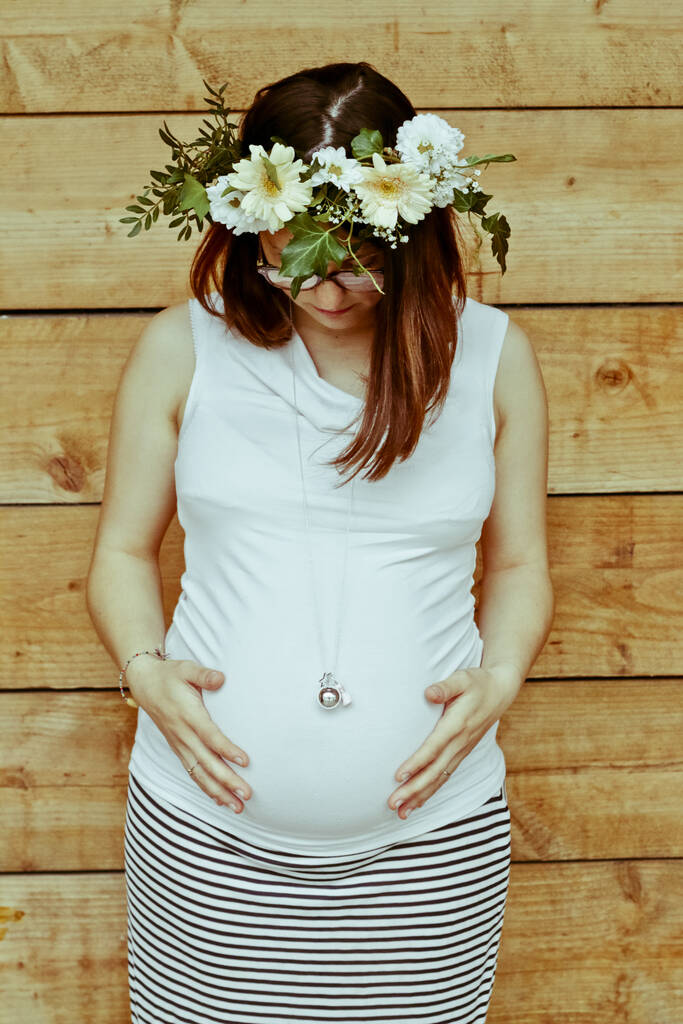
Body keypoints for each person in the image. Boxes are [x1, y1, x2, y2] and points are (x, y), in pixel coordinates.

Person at [87, 60, 554, 1024]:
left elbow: (516, 563)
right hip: (204, 832)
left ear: (409, 224)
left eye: (355, 256)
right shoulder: (184, 347)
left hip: (431, 840)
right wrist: (145, 670)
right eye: (289, 252)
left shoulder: (494, 357)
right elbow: (124, 552)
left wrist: (501, 676)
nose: (325, 289)